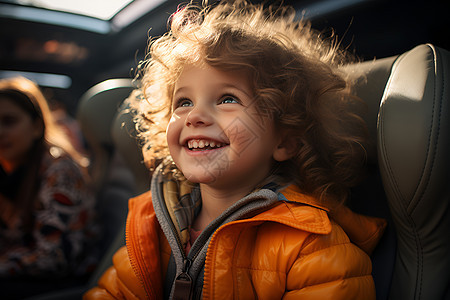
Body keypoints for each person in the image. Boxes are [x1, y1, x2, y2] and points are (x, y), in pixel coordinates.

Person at [84, 1, 387, 299]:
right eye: (184, 102)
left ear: (285, 141)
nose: (195, 116)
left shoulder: (311, 245)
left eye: (228, 99)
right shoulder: (150, 223)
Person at [0, 77, 98, 297]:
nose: (0, 132)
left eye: (9, 121)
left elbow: (55, 258)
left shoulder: (60, 171)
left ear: (36, 126)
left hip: (67, 283)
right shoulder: (12, 170)